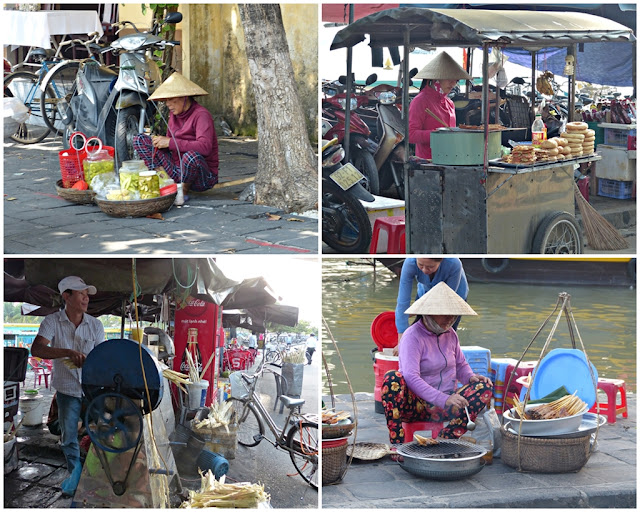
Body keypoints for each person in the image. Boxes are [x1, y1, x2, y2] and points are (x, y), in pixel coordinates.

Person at [381, 282, 492, 447]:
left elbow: (461, 364)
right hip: (415, 406)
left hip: (446, 406)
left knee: (484, 386)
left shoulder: (451, 334)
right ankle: (397, 445)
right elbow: (411, 377)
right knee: (392, 379)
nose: (450, 319)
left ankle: (445, 439)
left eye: (453, 315)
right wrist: (443, 399)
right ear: (429, 313)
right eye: (445, 314)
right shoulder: (412, 336)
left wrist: (471, 378)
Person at [30, 276, 105, 497]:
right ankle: (75, 474)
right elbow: (37, 349)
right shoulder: (52, 321)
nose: (86, 297)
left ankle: (98, 473)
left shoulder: (96, 325)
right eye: (81, 293)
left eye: (87, 294)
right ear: (66, 296)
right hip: (67, 391)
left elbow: (101, 358)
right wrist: (67, 352)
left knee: (101, 432)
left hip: (92, 390)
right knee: (69, 437)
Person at [133, 72, 219, 194]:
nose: (168, 104)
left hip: (201, 177)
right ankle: (164, 180)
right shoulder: (174, 115)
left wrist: (170, 142)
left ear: (184, 97)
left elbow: (205, 147)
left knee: (190, 157)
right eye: (166, 100)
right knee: (139, 139)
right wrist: (160, 143)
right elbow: (171, 147)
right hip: (177, 170)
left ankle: (182, 190)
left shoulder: (201, 115)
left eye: (171, 99)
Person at [408, 51, 472, 159]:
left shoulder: (449, 103)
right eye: (449, 79)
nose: (453, 84)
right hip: (429, 161)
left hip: (451, 159)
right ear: (435, 80)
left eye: (456, 80)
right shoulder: (420, 101)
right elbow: (411, 135)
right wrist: (437, 135)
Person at [395, 258, 468, 344]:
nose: (425, 270)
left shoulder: (454, 263)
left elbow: (445, 302)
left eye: (430, 266)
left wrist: (417, 310)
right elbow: (403, 301)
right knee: (417, 330)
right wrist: (402, 338)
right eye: (421, 265)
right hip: (425, 293)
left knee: (442, 335)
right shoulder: (410, 263)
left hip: (451, 299)